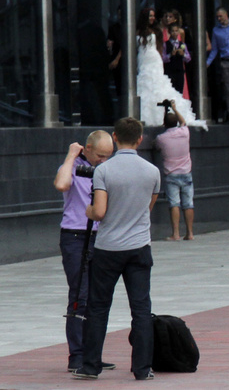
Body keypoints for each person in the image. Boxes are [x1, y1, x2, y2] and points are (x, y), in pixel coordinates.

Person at [72, 117, 161, 381]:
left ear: (114, 137)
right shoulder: (152, 171)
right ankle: (142, 368)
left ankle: (91, 366)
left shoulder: (104, 170)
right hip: (139, 246)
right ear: (140, 139)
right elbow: (148, 207)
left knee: (98, 307)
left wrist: (88, 210)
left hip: (109, 248)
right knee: (141, 308)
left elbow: (99, 211)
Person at [53, 131, 115, 373]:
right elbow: (61, 184)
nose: (103, 160)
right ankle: (77, 355)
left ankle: (92, 354)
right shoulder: (74, 166)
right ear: (87, 148)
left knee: (98, 298)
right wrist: (71, 155)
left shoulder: (106, 170)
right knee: (80, 294)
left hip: (102, 236)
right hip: (75, 236)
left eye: (108, 156)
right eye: (100, 155)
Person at [135, 8, 205, 129]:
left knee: (157, 83)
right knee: (144, 83)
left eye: (153, 16)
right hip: (142, 58)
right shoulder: (138, 31)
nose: (152, 18)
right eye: (150, 16)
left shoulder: (156, 30)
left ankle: (164, 115)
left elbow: (160, 47)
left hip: (154, 58)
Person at [154, 100, 195, 241]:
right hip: (186, 173)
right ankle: (190, 233)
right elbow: (183, 121)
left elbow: (156, 147)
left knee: (174, 204)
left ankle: (176, 234)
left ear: (164, 123)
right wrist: (174, 109)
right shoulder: (185, 132)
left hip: (171, 174)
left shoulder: (161, 138)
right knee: (188, 204)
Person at [162, 22, 191, 96]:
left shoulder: (182, 44)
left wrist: (183, 54)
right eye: (172, 31)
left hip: (179, 72)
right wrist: (170, 55)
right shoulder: (166, 44)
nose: (175, 33)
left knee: (179, 92)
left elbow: (188, 58)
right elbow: (163, 58)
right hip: (169, 72)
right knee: (170, 92)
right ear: (169, 32)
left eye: (176, 31)